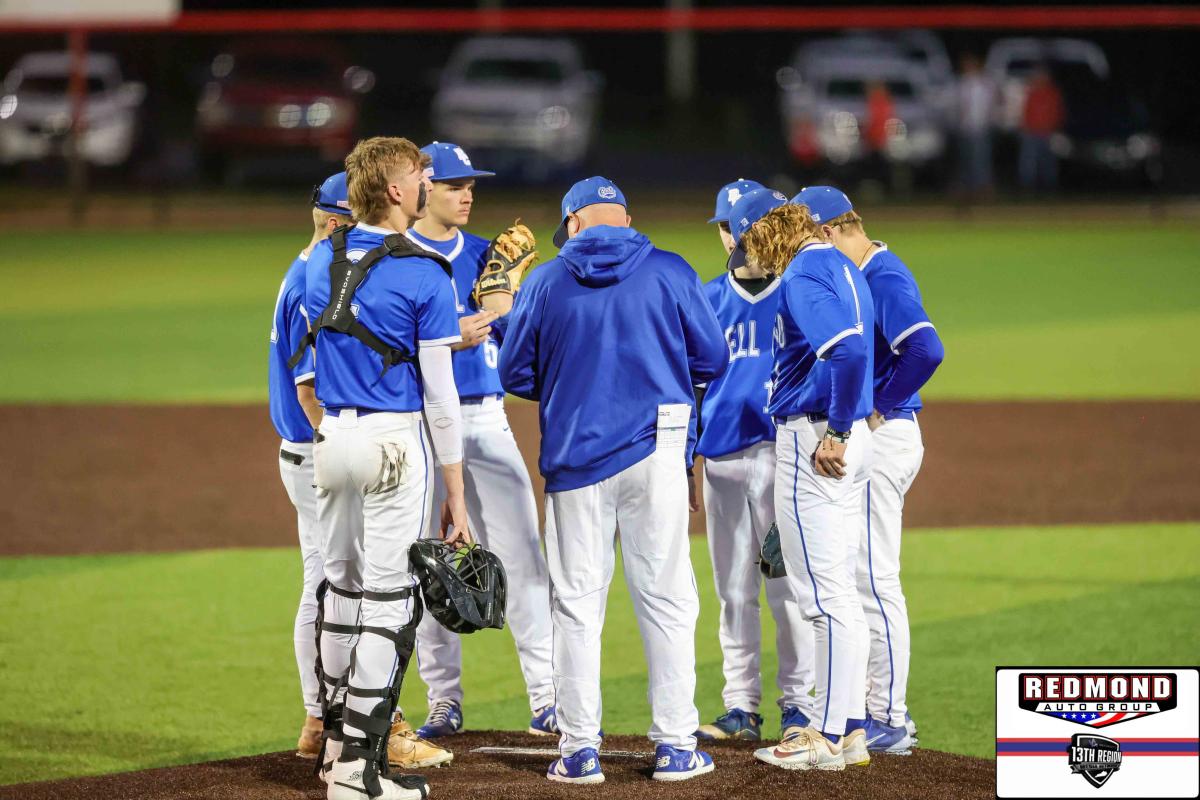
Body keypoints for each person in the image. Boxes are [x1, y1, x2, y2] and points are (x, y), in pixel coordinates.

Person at [499, 177, 728, 784]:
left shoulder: (545, 281)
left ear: (573, 224)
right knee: (668, 597)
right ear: (625, 217)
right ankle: (677, 746)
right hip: (658, 451)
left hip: (575, 461)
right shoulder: (671, 271)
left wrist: (566, 376)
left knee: (576, 606)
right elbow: (713, 359)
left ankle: (578, 750)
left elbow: (513, 372)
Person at [303, 136, 470, 800]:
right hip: (392, 442)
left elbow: (309, 356)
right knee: (389, 603)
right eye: (420, 175)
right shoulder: (427, 271)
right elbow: (441, 397)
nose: (429, 183)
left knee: (340, 594)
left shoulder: (319, 259)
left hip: (331, 441)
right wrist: (457, 493)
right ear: (396, 191)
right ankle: (356, 772)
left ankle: (332, 749)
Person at [405, 141, 557, 740]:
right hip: (419, 424)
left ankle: (548, 697)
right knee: (431, 564)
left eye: (471, 185)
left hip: (488, 420)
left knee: (522, 556)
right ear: (423, 189)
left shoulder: (490, 256)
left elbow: (524, 345)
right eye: (454, 185)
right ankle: (443, 701)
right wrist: (450, 334)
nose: (467, 195)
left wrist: (509, 309)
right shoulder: (395, 258)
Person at [723, 188, 874, 772]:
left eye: (754, 248)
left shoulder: (804, 272)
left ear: (772, 238)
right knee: (841, 593)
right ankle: (851, 728)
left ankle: (825, 735)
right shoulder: (842, 263)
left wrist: (836, 429)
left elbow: (849, 351)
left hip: (814, 440)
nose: (752, 261)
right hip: (840, 436)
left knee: (823, 597)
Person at [796, 186, 944, 755]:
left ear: (829, 231)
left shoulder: (882, 274)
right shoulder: (861, 271)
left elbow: (926, 349)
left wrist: (880, 404)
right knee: (855, 575)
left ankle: (889, 716)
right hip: (876, 439)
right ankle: (862, 709)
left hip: (886, 438)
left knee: (873, 579)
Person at [692, 179, 817, 742]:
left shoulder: (797, 292)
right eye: (728, 227)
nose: (735, 237)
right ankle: (740, 706)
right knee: (733, 590)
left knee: (787, 588)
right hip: (720, 460)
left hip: (780, 456)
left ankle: (799, 707)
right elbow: (689, 387)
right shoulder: (706, 299)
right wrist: (686, 459)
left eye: (743, 226)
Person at [268, 171, 351, 760]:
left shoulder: (306, 269)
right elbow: (309, 391)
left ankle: (320, 720)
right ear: (338, 220)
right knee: (333, 586)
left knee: (324, 582)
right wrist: (341, 443)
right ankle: (333, 719)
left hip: (304, 455)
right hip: (316, 453)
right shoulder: (311, 281)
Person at [955, 54, 996, 198]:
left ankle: (983, 186)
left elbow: (991, 103)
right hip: (966, 127)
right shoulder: (963, 83)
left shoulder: (985, 83)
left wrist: (989, 120)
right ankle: (968, 187)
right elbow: (959, 105)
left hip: (980, 126)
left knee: (981, 158)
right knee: (966, 158)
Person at [1019, 67, 1064, 192]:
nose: (1039, 79)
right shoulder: (1032, 93)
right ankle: (1027, 185)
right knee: (1028, 160)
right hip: (1031, 132)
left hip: (1048, 132)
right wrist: (1025, 126)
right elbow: (1027, 111)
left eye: (1042, 76)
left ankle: (1050, 185)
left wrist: (1054, 127)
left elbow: (1058, 112)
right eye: (1038, 76)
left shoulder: (1053, 93)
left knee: (1048, 160)